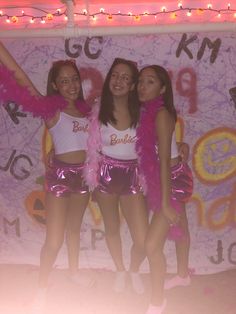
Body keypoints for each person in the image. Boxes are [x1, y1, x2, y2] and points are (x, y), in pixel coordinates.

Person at [0, 42, 94, 313]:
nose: (71, 84)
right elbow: (19, 76)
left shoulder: (89, 112)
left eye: (74, 79)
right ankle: (42, 288)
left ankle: (74, 272)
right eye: (63, 81)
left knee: (74, 229)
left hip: (84, 177)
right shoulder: (51, 110)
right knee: (53, 239)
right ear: (55, 85)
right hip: (61, 176)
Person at [85, 57, 149, 294]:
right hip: (105, 174)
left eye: (125, 77)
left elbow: (160, 140)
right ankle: (120, 270)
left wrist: (180, 145)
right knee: (112, 228)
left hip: (133, 175)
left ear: (133, 85)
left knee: (142, 239)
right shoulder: (96, 109)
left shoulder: (143, 112)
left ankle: (134, 270)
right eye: (115, 75)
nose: (118, 81)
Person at [136, 65, 193, 314]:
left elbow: (162, 163)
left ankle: (158, 301)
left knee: (151, 246)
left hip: (171, 178)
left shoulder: (159, 114)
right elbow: (166, 147)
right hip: (170, 172)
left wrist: (166, 203)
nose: (142, 86)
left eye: (149, 82)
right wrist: (181, 145)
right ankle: (182, 275)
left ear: (161, 88)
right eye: (140, 81)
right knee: (182, 226)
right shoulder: (149, 111)